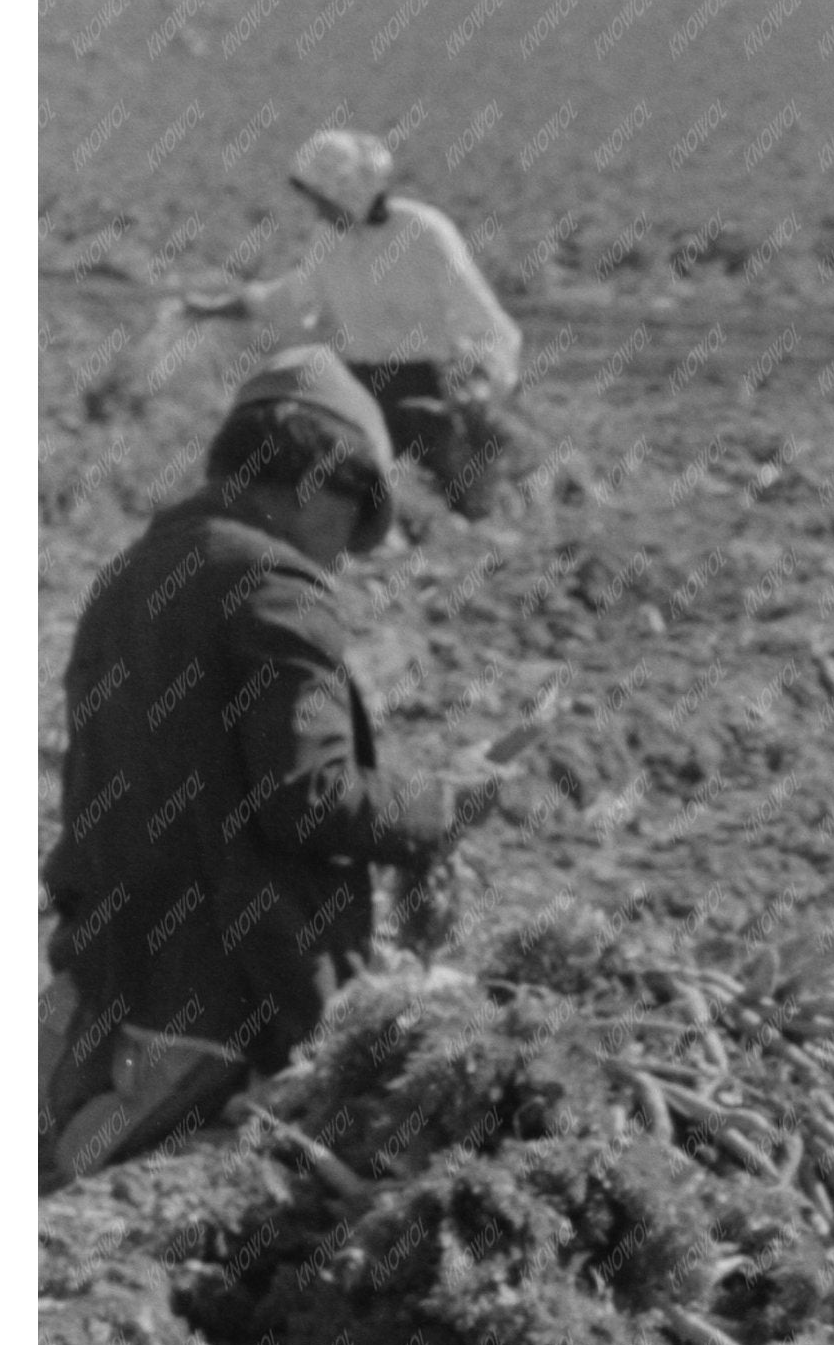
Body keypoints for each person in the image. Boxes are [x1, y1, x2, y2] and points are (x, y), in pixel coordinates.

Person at [40, 348, 504, 1181]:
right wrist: (442, 807)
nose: (344, 557)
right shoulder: (274, 585)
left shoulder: (127, 577)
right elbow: (310, 798)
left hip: (109, 976)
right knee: (92, 1172)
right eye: (352, 517)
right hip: (221, 1000)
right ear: (315, 479)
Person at [206, 131, 524, 519]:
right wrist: (224, 306)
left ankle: (463, 530)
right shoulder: (330, 238)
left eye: (323, 200)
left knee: (444, 494)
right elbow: (292, 297)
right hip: (354, 386)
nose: (319, 212)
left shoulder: (424, 232)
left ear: (350, 191)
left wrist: (483, 379)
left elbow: (488, 323)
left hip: (421, 388)